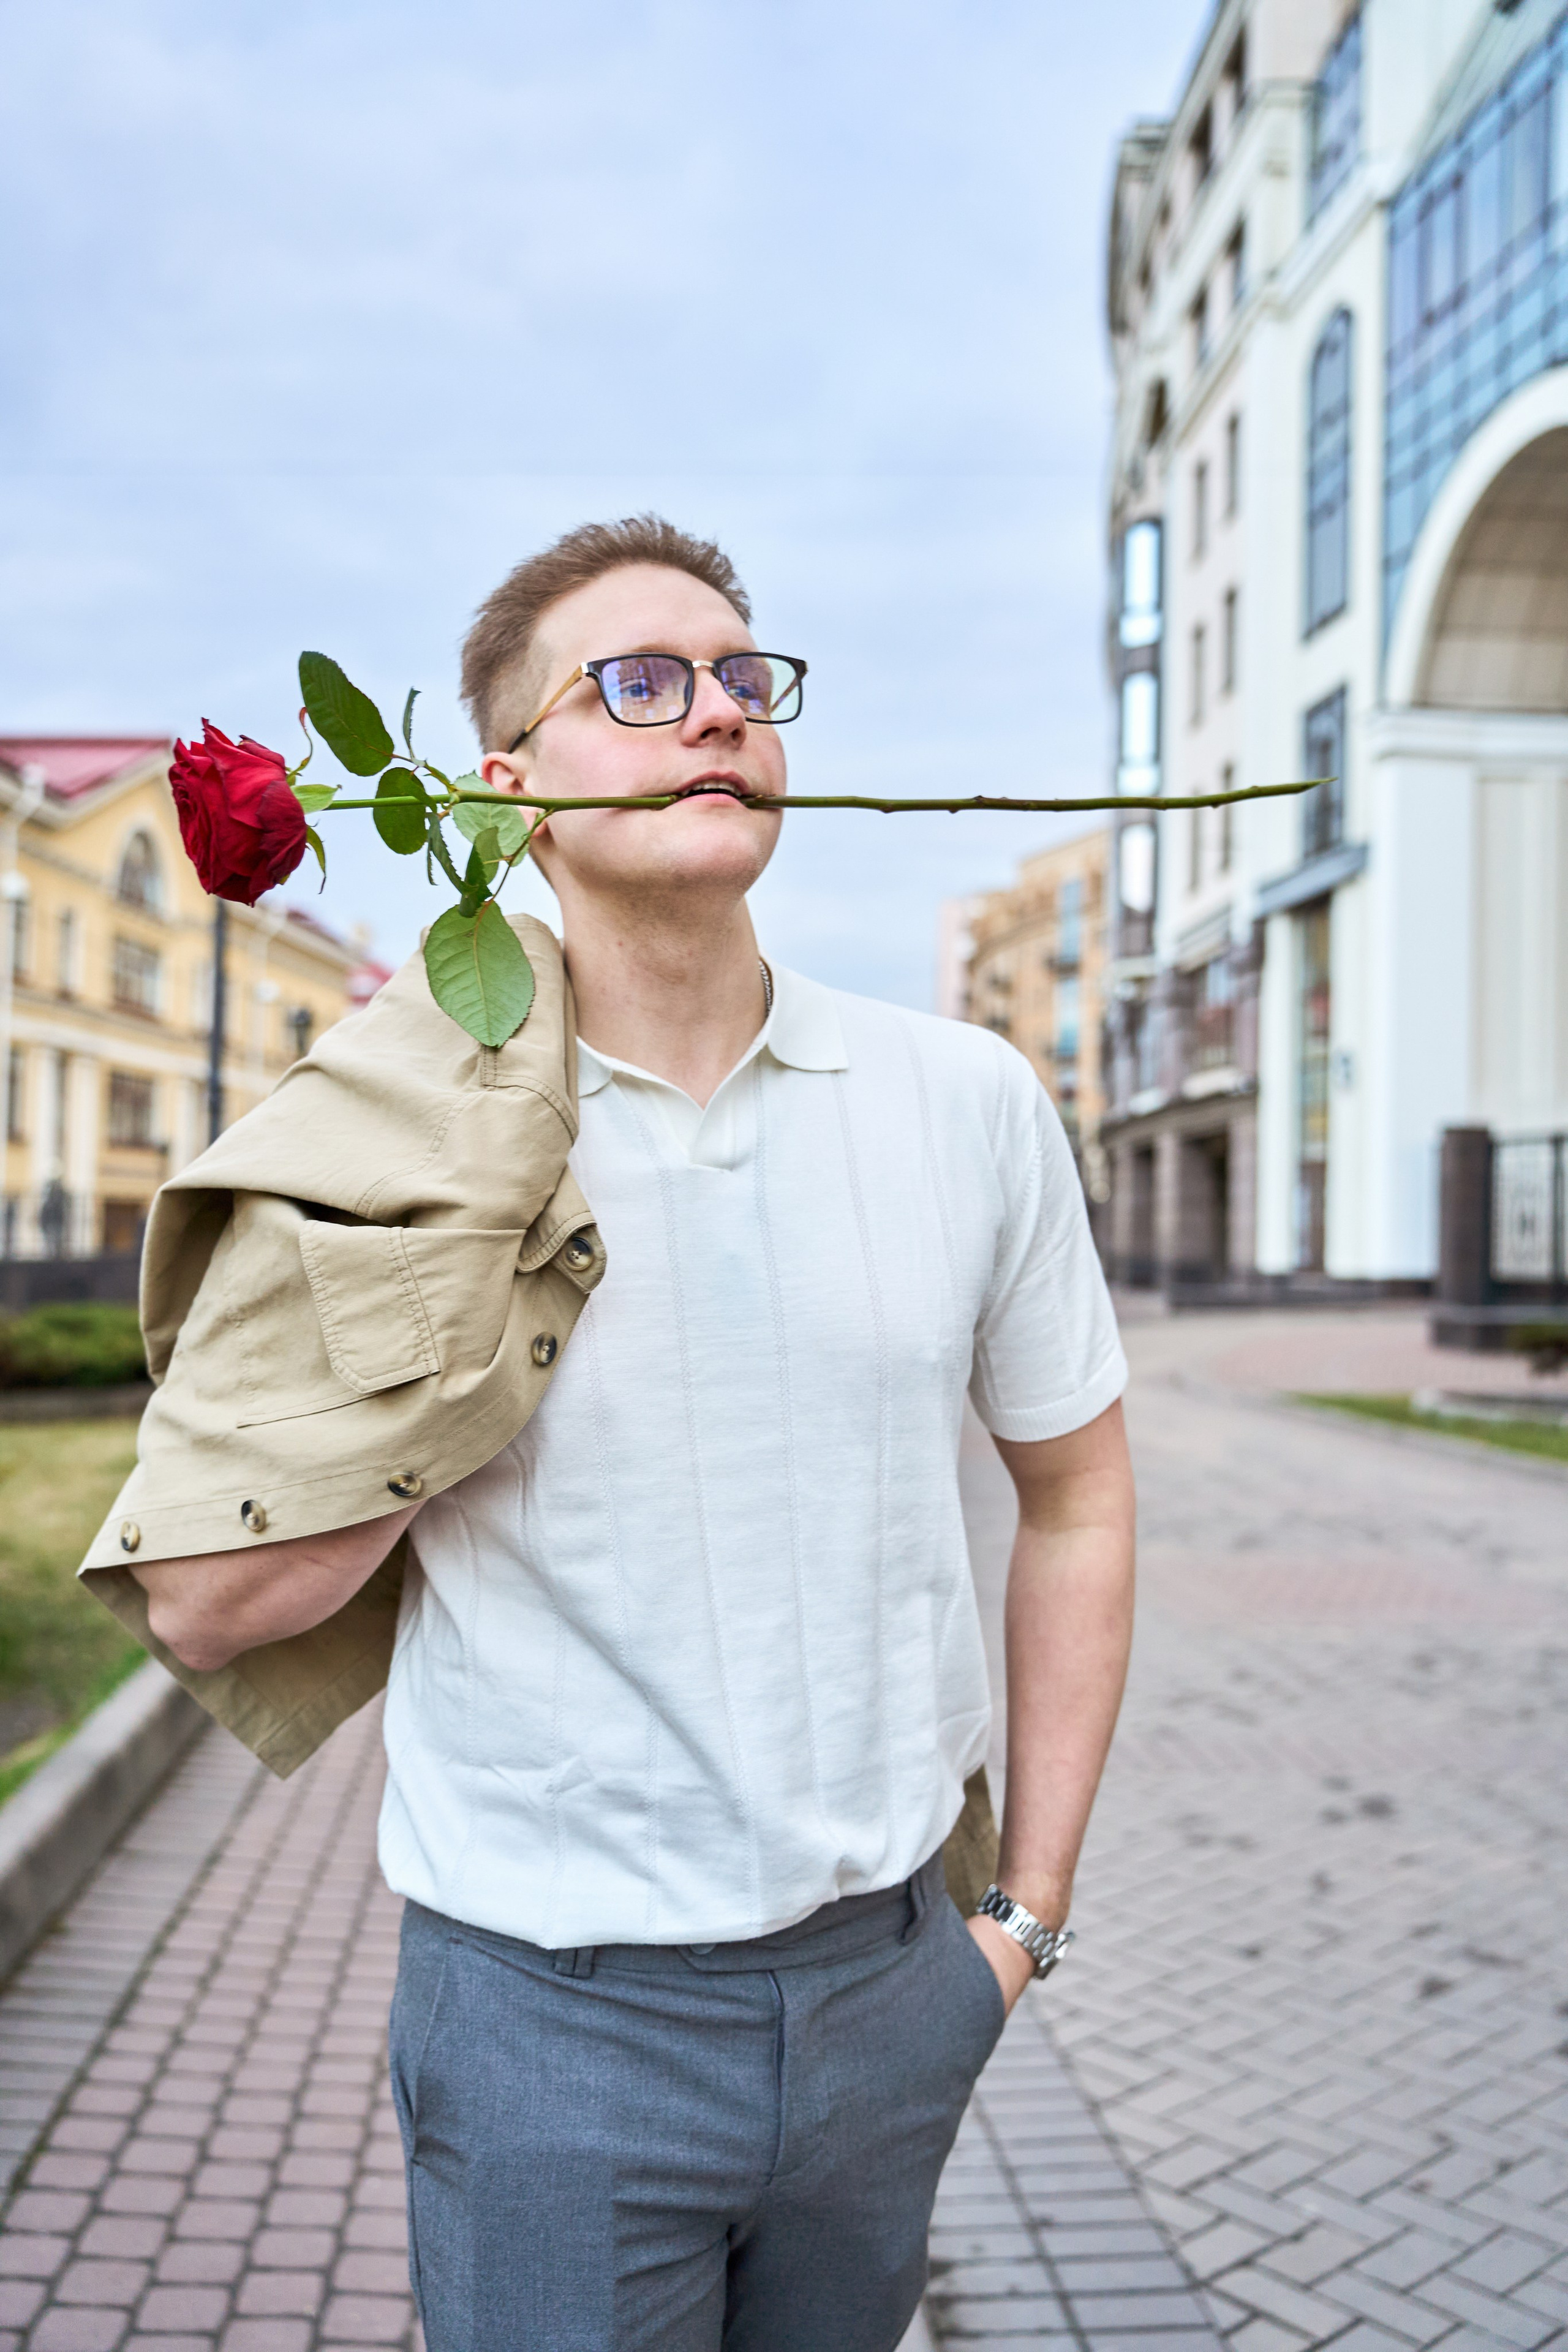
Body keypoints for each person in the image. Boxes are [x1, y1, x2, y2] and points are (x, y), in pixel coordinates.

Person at [132, 515, 1136, 2352]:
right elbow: (210, 1606)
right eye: (645, 684)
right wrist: (458, 1257)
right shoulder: (402, 1132)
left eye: (748, 680)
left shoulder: (965, 1100)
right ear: (506, 789)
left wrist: (1022, 1926)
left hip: (895, 1990)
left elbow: (1077, 1496)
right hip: (550, 2028)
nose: (717, 717)